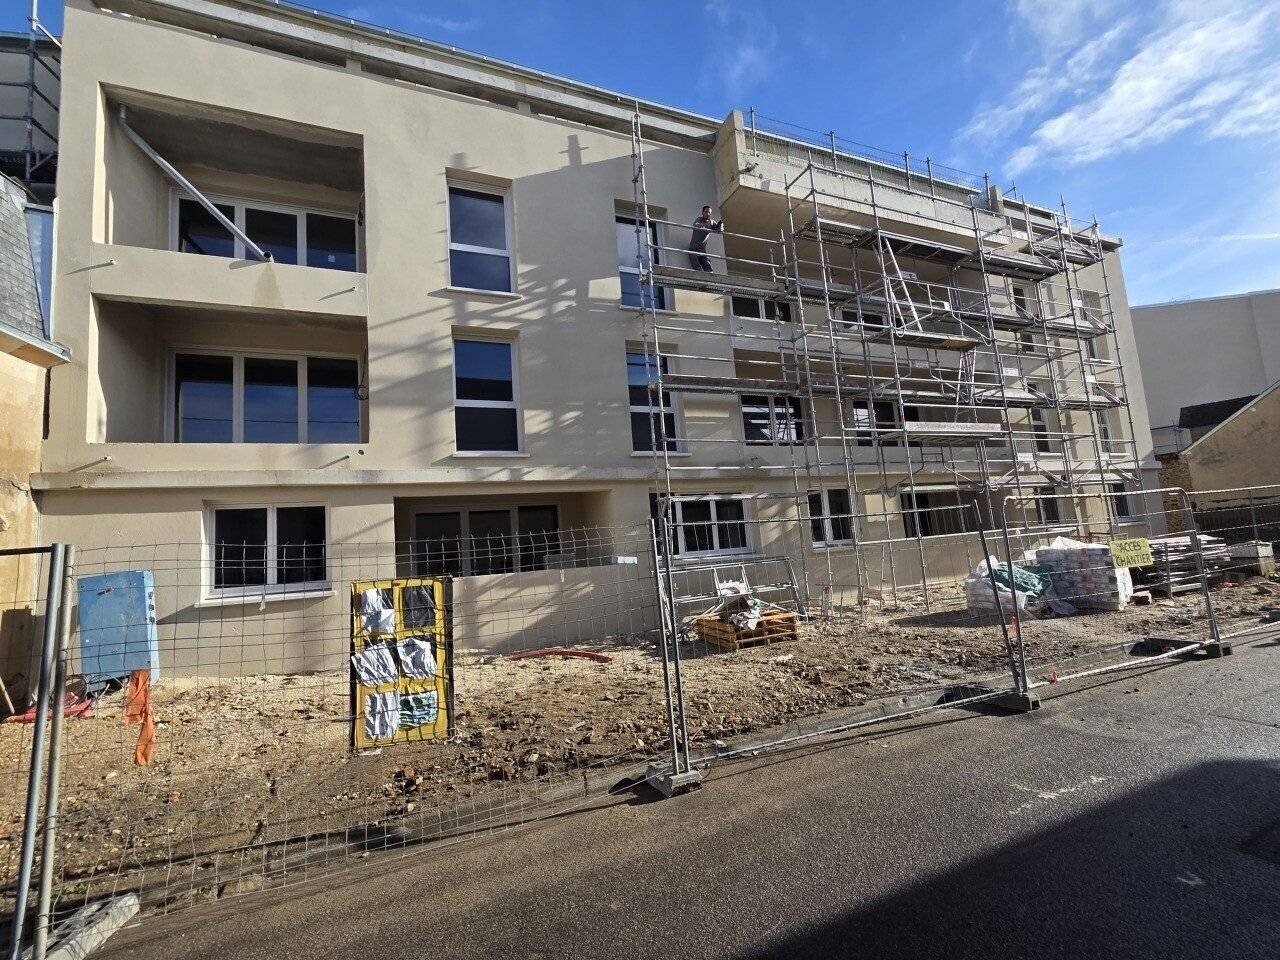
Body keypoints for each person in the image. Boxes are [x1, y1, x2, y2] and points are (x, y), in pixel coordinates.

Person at [688, 205, 722, 272]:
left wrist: (720, 226)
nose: (708, 214)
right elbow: (695, 226)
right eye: (706, 212)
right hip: (693, 249)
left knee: (709, 269)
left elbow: (719, 230)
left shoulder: (711, 222)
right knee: (698, 269)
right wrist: (706, 225)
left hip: (702, 250)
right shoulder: (699, 219)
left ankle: (712, 281)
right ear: (702, 212)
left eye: (709, 212)